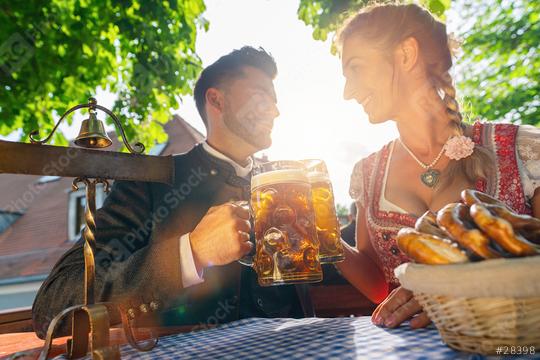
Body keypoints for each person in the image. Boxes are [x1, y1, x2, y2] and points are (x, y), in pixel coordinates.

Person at [32, 46, 313, 338]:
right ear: (216, 100)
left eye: (275, 100)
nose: (275, 110)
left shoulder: (284, 186)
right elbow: (52, 306)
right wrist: (190, 252)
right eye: (261, 95)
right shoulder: (151, 182)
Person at [333, 3, 540, 329]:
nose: (347, 92)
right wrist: (323, 239)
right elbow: (378, 287)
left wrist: (457, 292)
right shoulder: (368, 174)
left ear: (405, 54)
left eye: (355, 68)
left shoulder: (522, 150)